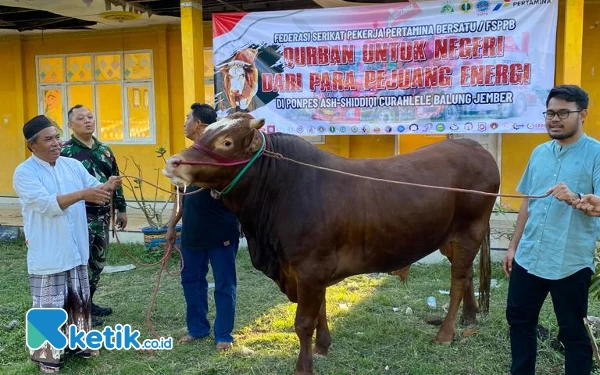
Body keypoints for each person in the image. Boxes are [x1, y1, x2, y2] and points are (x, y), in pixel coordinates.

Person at [502, 85, 600, 375]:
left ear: (582, 115)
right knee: (519, 322)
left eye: (562, 113)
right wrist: (513, 246)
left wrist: (577, 199)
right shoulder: (539, 153)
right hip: (529, 257)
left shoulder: (596, 153)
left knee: (573, 333)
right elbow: (527, 204)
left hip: (569, 261)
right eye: (550, 112)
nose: (554, 119)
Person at [13, 115, 121, 373]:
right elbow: (47, 204)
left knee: (78, 297)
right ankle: (47, 355)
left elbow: (94, 189)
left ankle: (79, 344)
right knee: (50, 302)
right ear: (32, 145)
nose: (56, 143)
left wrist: (107, 186)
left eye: (56, 137)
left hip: (75, 246)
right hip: (48, 247)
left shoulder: (71, 165)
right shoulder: (24, 172)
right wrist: (84, 194)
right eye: (48, 139)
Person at [166, 103, 240, 351]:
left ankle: (224, 335)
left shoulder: (222, 156)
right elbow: (180, 196)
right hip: (192, 233)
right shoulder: (184, 157)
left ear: (199, 124)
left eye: (188, 118)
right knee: (191, 281)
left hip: (221, 232)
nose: (184, 122)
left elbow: (238, 188)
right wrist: (171, 227)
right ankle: (197, 329)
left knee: (224, 284)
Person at [61, 105, 127, 326]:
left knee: (97, 261)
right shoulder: (65, 152)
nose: (87, 121)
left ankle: (90, 301)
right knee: (81, 261)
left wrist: (122, 208)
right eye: (80, 118)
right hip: (80, 215)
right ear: (71, 125)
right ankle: (79, 308)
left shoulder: (105, 150)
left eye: (90, 116)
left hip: (102, 216)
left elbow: (115, 181)